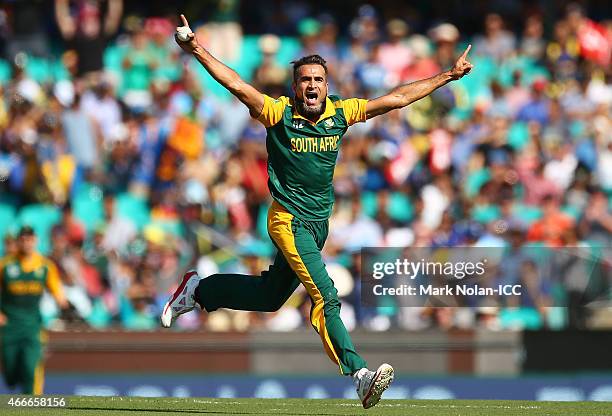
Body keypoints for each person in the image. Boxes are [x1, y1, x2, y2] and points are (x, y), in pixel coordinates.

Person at [162, 14, 473, 409]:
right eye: (305, 80)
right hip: (288, 221)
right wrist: (195, 49)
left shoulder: (340, 113)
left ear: (327, 86)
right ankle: (359, 373)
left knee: (271, 297)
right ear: (295, 87)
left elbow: (396, 98)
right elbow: (236, 84)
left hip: (318, 224)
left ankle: (199, 290)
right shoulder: (278, 113)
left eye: (318, 80)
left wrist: (447, 76)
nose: (311, 85)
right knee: (325, 294)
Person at [0, 226, 68, 394]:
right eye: (23, 239)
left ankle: (30, 407)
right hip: (9, 325)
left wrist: (63, 303)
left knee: (31, 369)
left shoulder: (45, 266)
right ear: (18, 242)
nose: (26, 243)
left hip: (32, 326)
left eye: (30, 239)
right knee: (10, 371)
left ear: (36, 241)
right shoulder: (6, 266)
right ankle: (13, 379)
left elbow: (58, 293)